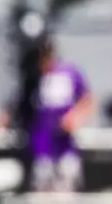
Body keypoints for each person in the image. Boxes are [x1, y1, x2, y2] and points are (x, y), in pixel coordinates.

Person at [29, 36, 94, 193]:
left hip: (65, 143)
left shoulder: (69, 73)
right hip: (43, 142)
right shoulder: (35, 78)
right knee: (42, 181)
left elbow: (88, 100)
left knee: (67, 179)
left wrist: (74, 117)